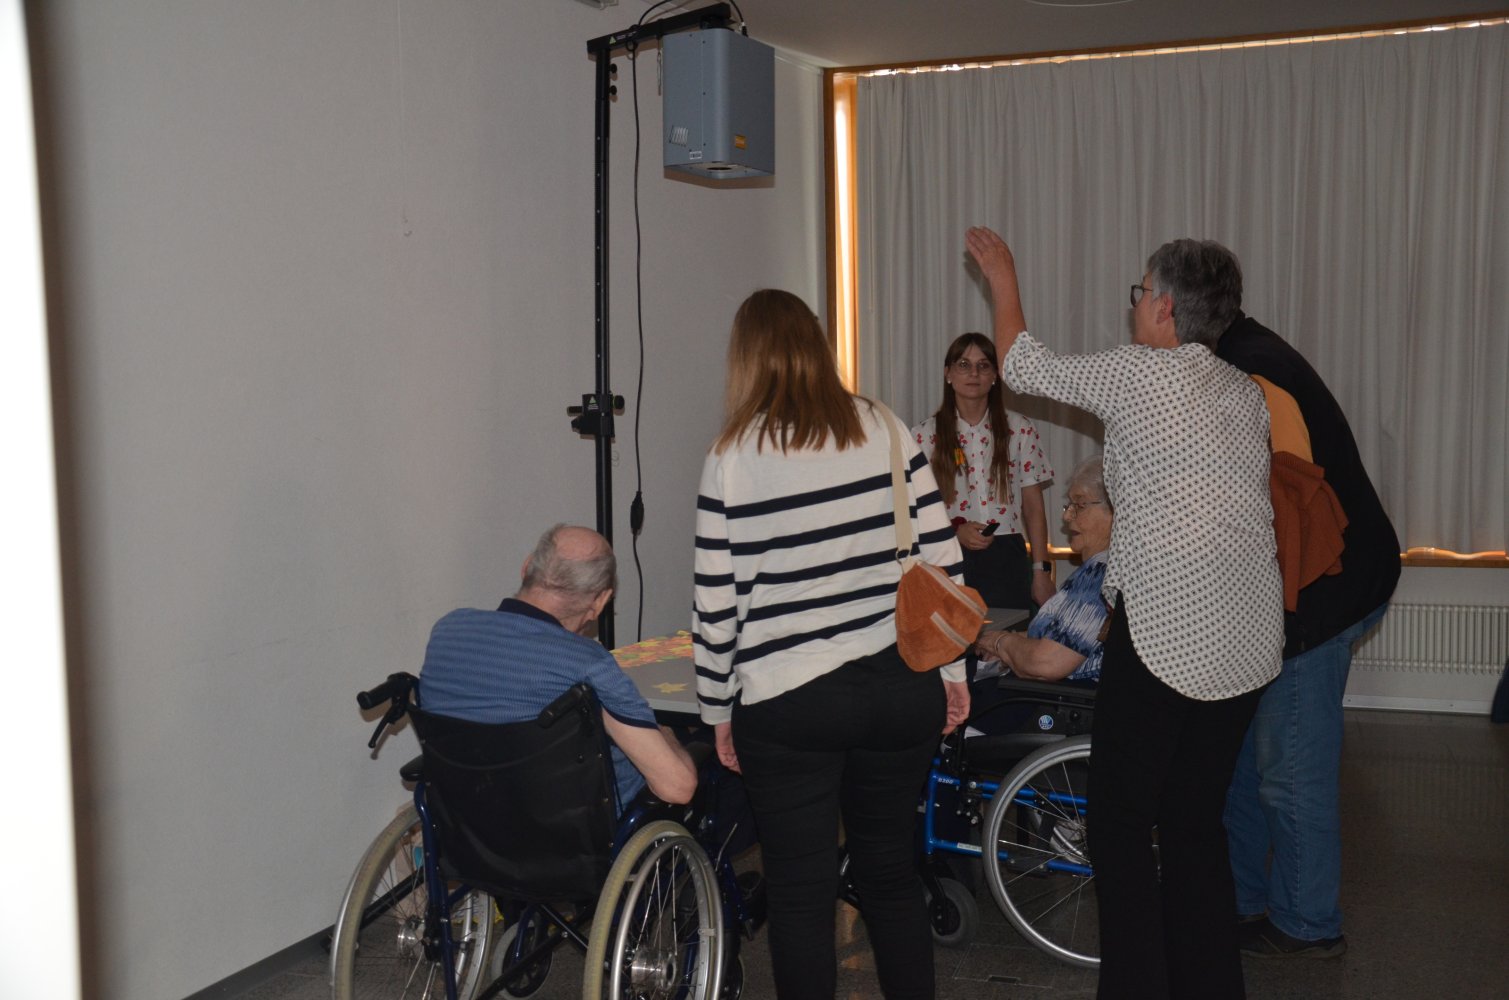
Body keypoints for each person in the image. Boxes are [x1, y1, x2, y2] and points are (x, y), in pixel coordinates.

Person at [966, 225, 1283, 1000]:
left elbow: (1021, 365)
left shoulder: (1142, 373)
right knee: (1192, 822)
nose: (1134, 304)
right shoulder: (1244, 394)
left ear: (1164, 308)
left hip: (1170, 633)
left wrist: (1001, 278)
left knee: (1117, 822)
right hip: (1247, 641)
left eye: (1140, 291)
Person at [693, 288, 968, 1000]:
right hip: (899, 687)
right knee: (891, 876)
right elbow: (942, 561)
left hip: (788, 700)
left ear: (745, 358)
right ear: (817, 346)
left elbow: (717, 605)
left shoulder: (731, 456)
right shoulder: (883, 426)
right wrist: (953, 674)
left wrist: (717, 709)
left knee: (799, 893)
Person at [1216, 298, 1401, 958]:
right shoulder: (1237, 359)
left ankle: (1306, 921)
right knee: (1239, 763)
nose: (1140, 309)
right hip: (1285, 597)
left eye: (1146, 295)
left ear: (1178, 307)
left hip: (1317, 596)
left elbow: (1288, 503)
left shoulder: (1253, 373)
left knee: (1288, 772)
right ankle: (1239, 899)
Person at [419, 524, 697, 810]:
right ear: (600, 601)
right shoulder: (588, 664)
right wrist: (667, 733)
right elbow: (678, 788)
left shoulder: (448, 631)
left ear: (526, 567)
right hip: (577, 821)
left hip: (472, 813)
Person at [912, 333, 1056, 612]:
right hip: (947, 555)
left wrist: (1041, 571)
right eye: (964, 365)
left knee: (1008, 636)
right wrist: (955, 531)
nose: (974, 373)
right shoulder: (923, 435)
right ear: (948, 374)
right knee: (954, 637)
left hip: (1006, 557)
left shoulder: (1019, 429)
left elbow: (1034, 508)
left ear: (995, 376)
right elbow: (915, 509)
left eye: (983, 365)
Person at [973, 454, 1112, 686]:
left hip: (1060, 699)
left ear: (1116, 511)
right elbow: (1063, 638)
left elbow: (1046, 663)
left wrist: (999, 643)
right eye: (1069, 505)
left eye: (1079, 505)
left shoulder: (1099, 574)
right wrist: (1009, 644)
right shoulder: (1101, 569)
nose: (1066, 516)